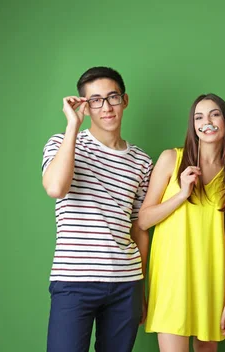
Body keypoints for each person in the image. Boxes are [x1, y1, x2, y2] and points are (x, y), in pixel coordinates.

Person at [42, 66, 152, 352]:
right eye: (95, 100)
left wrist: (141, 287)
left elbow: (139, 226)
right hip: (74, 280)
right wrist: (71, 127)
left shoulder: (142, 161)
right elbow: (56, 188)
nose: (106, 107)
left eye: (112, 97)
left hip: (126, 283)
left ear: (124, 101)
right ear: (85, 107)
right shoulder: (63, 143)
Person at [138, 94, 225, 352]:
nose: (206, 121)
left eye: (214, 114)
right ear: (193, 125)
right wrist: (182, 194)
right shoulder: (171, 159)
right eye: (199, 117)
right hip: (171, 280)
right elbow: (143, 220)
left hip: (212, 279)